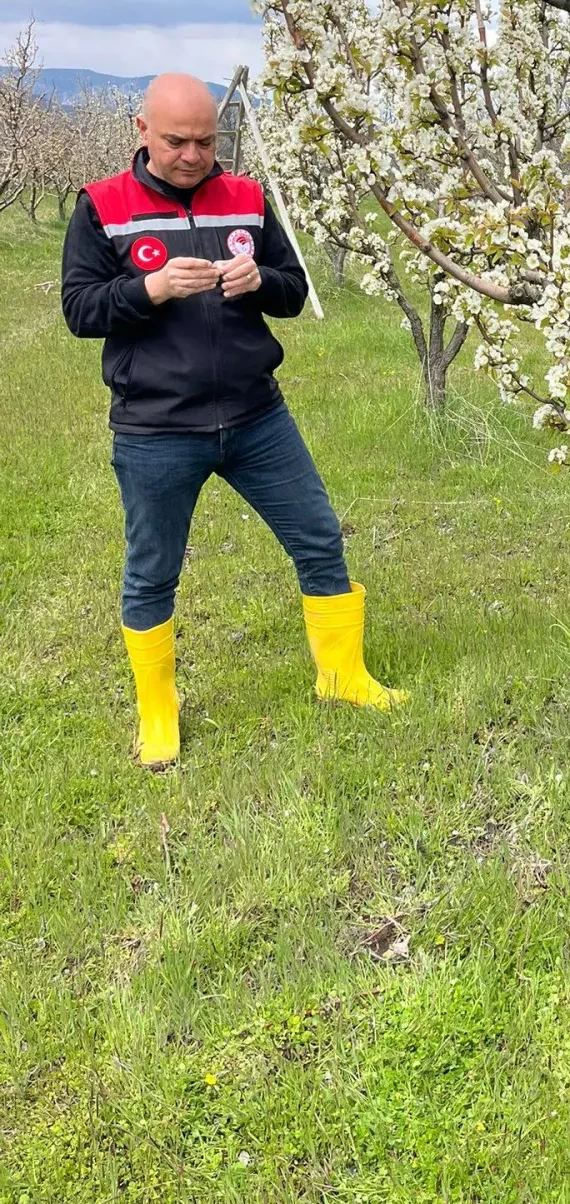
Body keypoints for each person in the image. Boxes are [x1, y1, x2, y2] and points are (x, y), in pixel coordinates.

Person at [61, 72, 406, 769]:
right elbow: (79, 309)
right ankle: (158, 712)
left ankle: (341, 677)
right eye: (177, 142)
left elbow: (292, 288)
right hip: (156, 429)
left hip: (256, 417)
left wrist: (262, 282)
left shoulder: (245, 197)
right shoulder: (103, 206)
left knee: (317, 538)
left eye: (206, 142)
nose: (193, 155)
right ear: (142, 131)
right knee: (152, 571)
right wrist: (148, 290)